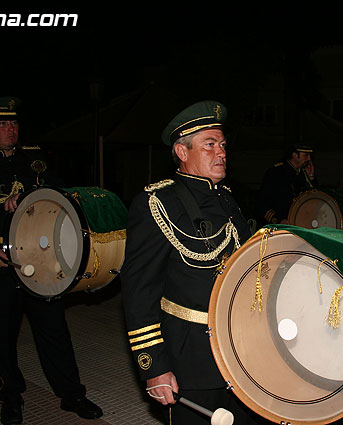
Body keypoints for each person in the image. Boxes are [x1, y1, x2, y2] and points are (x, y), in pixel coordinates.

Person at [0, 97, 103, 425]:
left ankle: (71, 393)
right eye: (3, 124)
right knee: (0, 333)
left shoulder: (34, 158)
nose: (11, 130)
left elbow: (62, 197)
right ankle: (10, 394)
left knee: (54, 329)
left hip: (40, 259)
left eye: (14, 123)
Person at [120, 101, 263, 424]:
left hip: (240, 349)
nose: (221, 152)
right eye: (210, 145)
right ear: (182, 152)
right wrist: (153, 367)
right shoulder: (157, 204)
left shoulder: (226, 198)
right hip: (191, 356)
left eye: (223, 145)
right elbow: (139, 292)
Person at [255, 142, 316, 225]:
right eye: (306, 155)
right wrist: (278, 220)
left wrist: (311, 177)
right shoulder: (276, 172)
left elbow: (313, 198)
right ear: (295, 155)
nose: (309, 159)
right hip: (279, 226)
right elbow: (262, 203)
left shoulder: (302, 174)